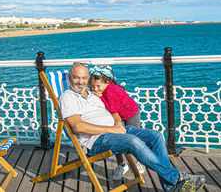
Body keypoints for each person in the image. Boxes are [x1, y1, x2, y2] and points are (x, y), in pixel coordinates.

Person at [60, 63, 206, 191]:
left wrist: (117, 123)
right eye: (76, 78)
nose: (80, 82)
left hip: (116, 131)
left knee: (155, 136)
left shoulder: (93, 94)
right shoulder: (68, 97)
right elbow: (78, 126)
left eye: (84, 78)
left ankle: (170, 187)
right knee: (132, 141)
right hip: (95, 141)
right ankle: (176, 177)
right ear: (69, 77)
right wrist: (113, 130)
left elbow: (113, 112)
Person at [89, 65, 144, 180]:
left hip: (132, 114)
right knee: (118, 138)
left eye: (98, 86)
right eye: (93, 86)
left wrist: (100, 97)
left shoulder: (110, 90)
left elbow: (112, 109)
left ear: (107, 82)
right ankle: (122, 165)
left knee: (135, 139)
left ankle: (140, 162)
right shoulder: (105, 88)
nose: (95, 89)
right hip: (121, 116)